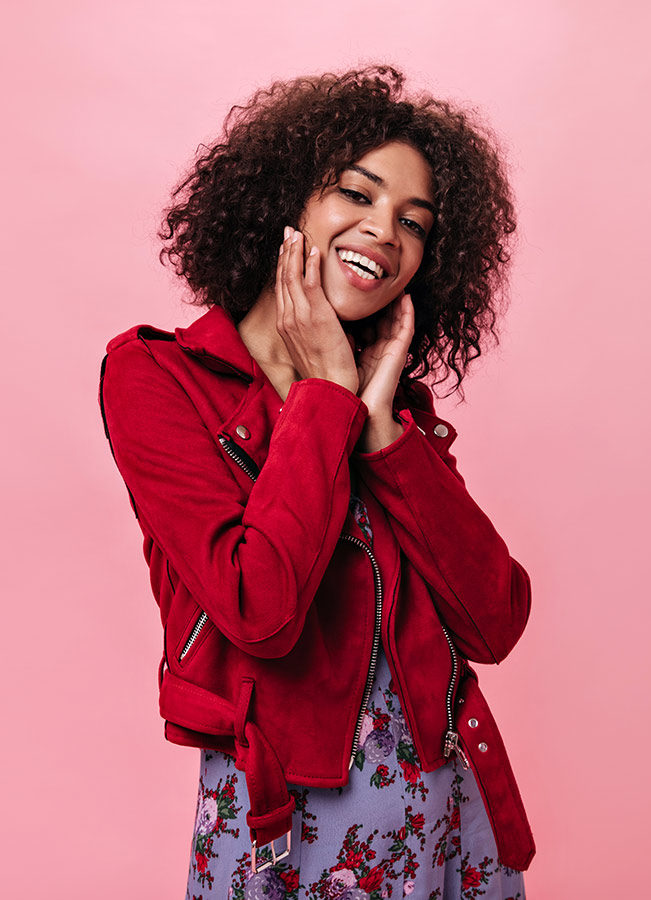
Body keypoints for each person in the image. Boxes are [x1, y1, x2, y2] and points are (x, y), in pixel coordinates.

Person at [99, 63, 535, 899]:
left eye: (414, 221)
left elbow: (496, 619)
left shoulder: (392, 409)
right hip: (287, 819)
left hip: (449, 808)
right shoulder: (158, 376)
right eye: (357, 194)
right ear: (286, 200)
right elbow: (259, 609)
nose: (386, 231)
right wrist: (325, 397)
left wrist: (378, 428)